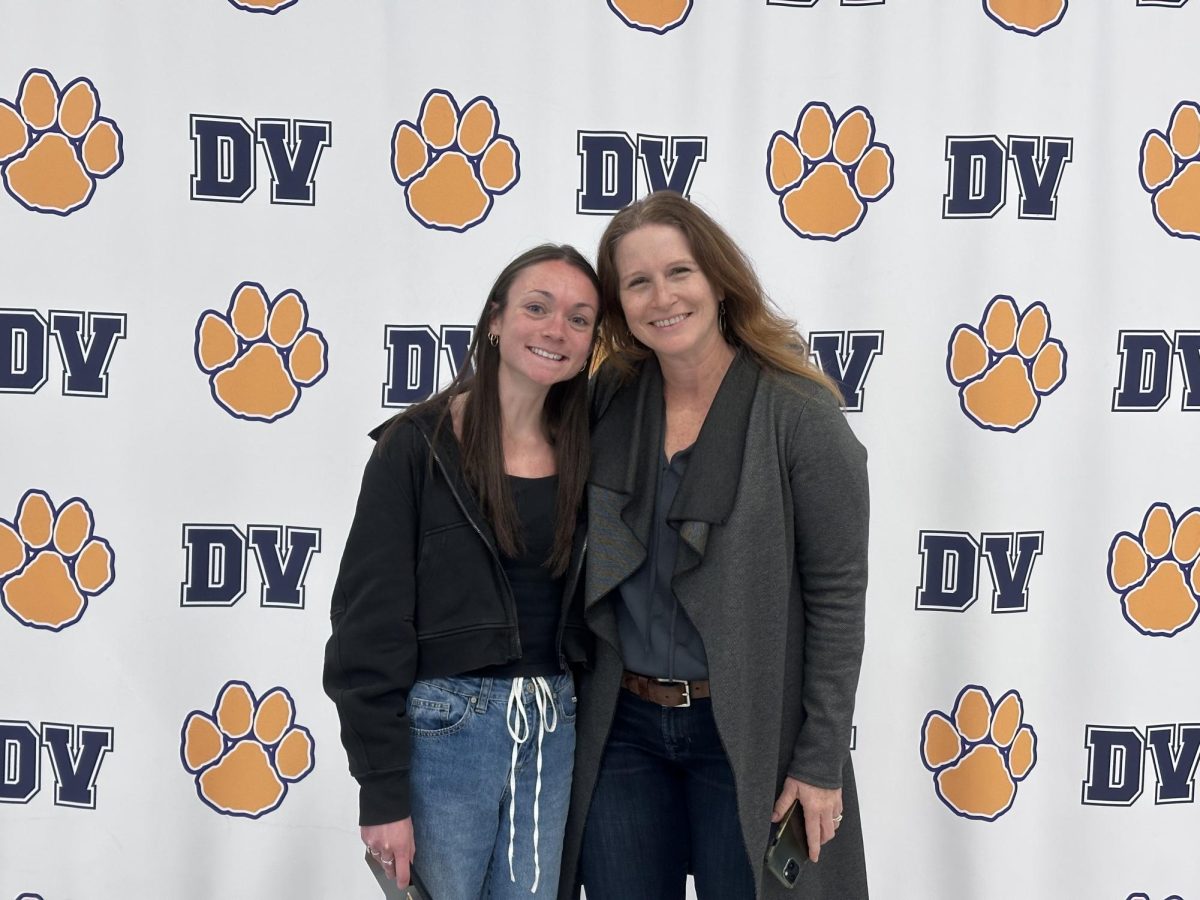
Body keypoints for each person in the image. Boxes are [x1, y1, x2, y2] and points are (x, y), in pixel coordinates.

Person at [559, 193, 869, 899]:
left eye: (679, 272)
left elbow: (838, 599)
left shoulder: (799, 413)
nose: (661, 296)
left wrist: (819, 763)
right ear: (619, 304)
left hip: (748, 737)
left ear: (719, 278)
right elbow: (517, 411)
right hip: (623, 731)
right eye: (637, 282)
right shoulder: (613, 397)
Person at [323, 244, 601, 898]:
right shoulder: (415, 447)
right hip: (448, 730)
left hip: (552, 725)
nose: (557, 329)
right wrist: (382, 792)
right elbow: (368, 623)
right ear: (496, 320)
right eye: (538, 307)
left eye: (581, 318)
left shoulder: (591, 452)